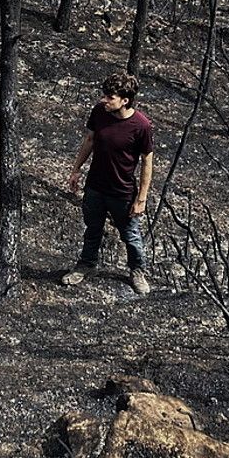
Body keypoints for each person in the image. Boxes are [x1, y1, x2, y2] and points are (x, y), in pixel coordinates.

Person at [61, 71, 154, 294]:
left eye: (110, 97)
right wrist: (75, 170)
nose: (104, 100)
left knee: (130, 235)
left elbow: (147, 162)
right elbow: (90, 140)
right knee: (92, 228)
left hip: (122, 191)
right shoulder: (99, 112)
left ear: (125, 100)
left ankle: (137, 271)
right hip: (95, 186)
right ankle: (86, 265)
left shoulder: (141, 126)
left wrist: (141, 198)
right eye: (104, 95)